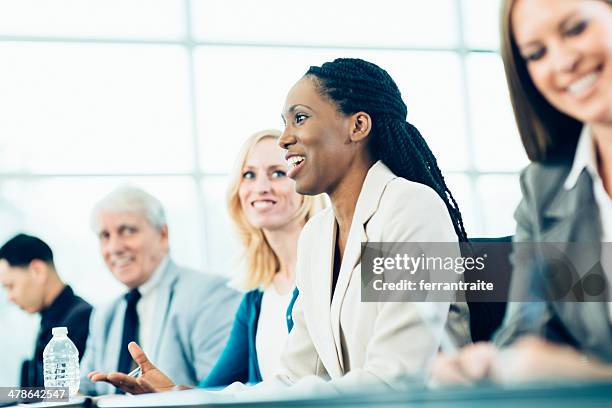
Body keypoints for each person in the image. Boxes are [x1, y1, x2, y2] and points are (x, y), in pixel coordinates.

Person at [94, 58, 472, 394]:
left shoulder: (411, 208)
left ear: (357, 126)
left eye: (300, 118)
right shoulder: (319, 235)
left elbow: (396, 378)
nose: (286, 137)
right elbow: (293, 378)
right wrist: (184, 399)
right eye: (284, 123)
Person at [430, 0, 612, 385]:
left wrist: (586, 374)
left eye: (576, 29)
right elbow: (526, 335)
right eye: (536, 53)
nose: (562, 62)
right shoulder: (542, 189)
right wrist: (486, 366)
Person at [80, 187, 241, 395]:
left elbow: (222, 393)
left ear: (163, 235)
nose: (114, 248)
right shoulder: (105, 314)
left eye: (127, 231)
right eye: (105, 236)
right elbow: (82, 390)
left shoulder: (209, 294)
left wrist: (167, 398)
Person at [201, 129, 324, 386]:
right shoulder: (255, 299)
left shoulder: (333, 269)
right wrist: (165, 392)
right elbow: (212, 391)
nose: (261, 188)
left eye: (278, 173)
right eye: (249, 175)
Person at [0, 233, 92, 387]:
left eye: (11, 286)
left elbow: (64, 395)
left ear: (37, 271)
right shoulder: (51, 320)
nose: (10, 297)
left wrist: (8, 395)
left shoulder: (81, 319)